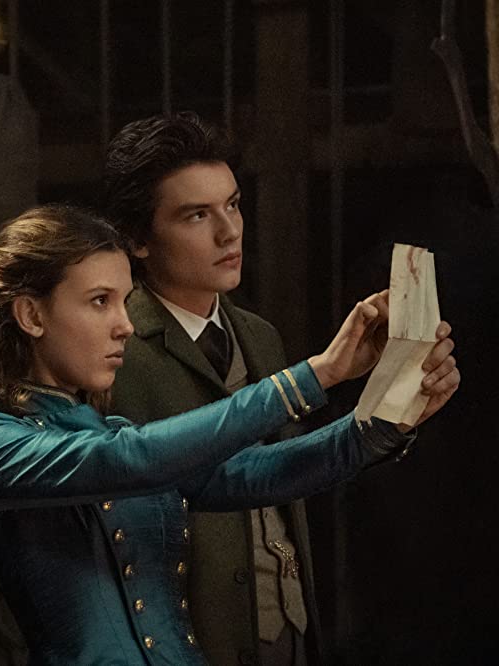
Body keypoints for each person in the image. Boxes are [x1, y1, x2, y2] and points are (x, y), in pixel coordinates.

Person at [0, 204, 460, 665]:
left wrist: (382, 420)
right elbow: (127, 459)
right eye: (100, 301)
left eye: (124, 300)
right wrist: (315, 375)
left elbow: (254, 474)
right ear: (30, 314)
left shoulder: (115, 432)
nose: (125, 325)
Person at [106, 110, 371, 665]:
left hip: (289, 631)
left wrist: (393, 408)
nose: (229, 232)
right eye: (197, 215)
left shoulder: (258, 336)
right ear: (137, 238)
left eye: (232, 204)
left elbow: (289, 471)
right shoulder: (116, 349)